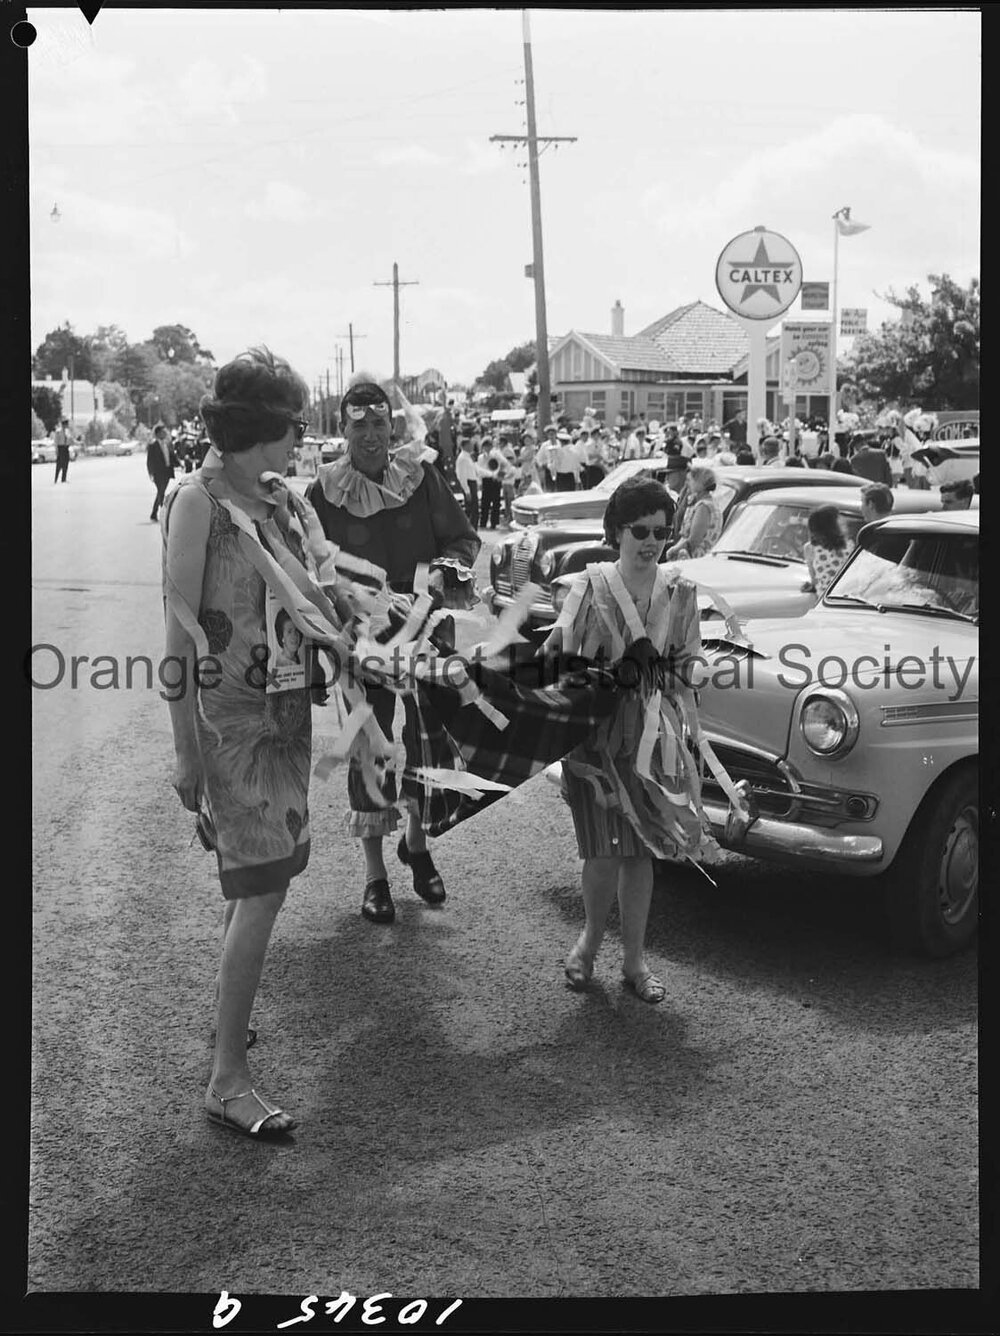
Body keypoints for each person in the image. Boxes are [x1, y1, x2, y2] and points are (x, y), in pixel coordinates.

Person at [163, 346, 325, 1139]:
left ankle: (229, 1028)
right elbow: (177, 633)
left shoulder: (282, 499)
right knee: (261, 888)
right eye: (294, 424)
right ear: (259, 427)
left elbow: (314, 597)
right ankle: (227, 1078)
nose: (303, 438)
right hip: (229, 728)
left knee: (264, 880)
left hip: (287, 720)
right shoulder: (196, 502)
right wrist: (186, 749)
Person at [539, 476, 722, 1004]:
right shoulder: (587, 588)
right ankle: (588, 947)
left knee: (641, 852)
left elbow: (689, 661)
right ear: (616, 531)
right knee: (601, 853)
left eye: (661, 533)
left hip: (654, 738)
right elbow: (559, 657)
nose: (650, 541)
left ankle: (634, 962)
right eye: (639, 530)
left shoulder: (681, 592)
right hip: (596, 738)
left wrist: (693, 673)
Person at [306, 376, 481, 926]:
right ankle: (375, 876)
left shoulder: (421, 477)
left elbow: (461, 540)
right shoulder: (322, 491)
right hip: (360, 640)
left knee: (427, 743)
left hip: (425, 628)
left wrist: (429, 584)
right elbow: (311, 571)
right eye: (359, 425)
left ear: (391, 425)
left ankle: (418, 843)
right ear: (343, 430)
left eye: (380, 423)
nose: (371, 435)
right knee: (369, 747)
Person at [664, 464, 722, 561]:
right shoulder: (698, 503)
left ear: (699, 483)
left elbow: (694, 540)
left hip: (695, 559)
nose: (687, 484)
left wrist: (674, 549)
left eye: (689, 480)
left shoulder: (704, 507)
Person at [803, 503, 854, 598]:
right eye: (838, 516)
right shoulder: (849, 545)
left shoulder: (810, 548)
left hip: (825, 600)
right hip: (847, 596)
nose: (842, 518)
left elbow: (814, 580)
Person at [147, 424, 177, 522]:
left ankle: (155, 513)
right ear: (158, 433)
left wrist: (180, 464)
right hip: (158, 473)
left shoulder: (167, 444)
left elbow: (172, 456)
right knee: (161, 492)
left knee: (161, 493)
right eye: (163, 432)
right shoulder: (153, 445)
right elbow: (149, 460)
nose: (165, 433)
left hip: (167, 471)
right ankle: (162, 513)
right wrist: (151, 473)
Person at [454, 436, 480, 528]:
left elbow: (476, 471)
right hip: (469, 484)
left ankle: (473, 531)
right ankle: (471, 531)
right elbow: (462, 476)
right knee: (472, 510)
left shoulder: (468, 457)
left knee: (474, 510)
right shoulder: (462, 458)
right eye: (470, 445)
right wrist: (467, 491)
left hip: (472, 483)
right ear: (465, 446)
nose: (472, 447)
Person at [53, 418, 72, 483]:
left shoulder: (68, 431)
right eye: (66, 424)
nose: (67, 426)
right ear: (63, 425)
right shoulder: (58, 431)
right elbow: (56, 442)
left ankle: (63, 479)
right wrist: (56, 451)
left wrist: (79, 442)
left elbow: (70, 440)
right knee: (59, 465)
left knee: (66, 464)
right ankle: (55, 479)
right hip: (60, 449)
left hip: (66, 448)